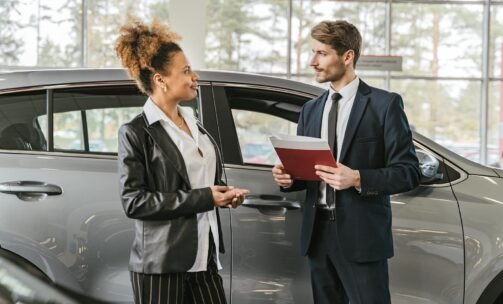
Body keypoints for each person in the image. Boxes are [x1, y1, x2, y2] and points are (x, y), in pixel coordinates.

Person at [272, 20, 421, 304]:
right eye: (313, 53)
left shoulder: (384, 105)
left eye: (322, 53)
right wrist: (289, 178)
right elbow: (309, 173)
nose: (312, 62)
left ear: (348, 56)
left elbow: (409, 172)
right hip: (318, 235)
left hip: (361, 236)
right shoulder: (310, 110)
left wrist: (358, 178)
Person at [115, 18, 248, 304]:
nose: (194, 76)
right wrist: (205, 198)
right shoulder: (136, 132)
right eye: (186, 71)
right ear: (160, 79)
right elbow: (134, 202)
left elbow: (202, 180)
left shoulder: (193, 123)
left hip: (205, 257)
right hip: (162, 264)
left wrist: (224, 194)